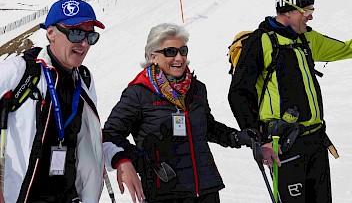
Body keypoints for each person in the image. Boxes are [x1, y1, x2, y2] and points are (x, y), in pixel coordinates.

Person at [228, 0, 352, 203]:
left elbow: (349, 48)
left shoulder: (307, 38)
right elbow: (238, 93)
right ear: (288, 10)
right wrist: (259, 140)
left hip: (316, 142)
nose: (310, 17)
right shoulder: (260, 41)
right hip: (284, 147)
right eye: (306, 11)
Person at [102, 23, 280, 203]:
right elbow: (110, 134)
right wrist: (141, 162)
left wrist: (238, 137)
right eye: (170, 51)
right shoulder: (139, 93)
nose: (179, 58)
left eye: (183, 50)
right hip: (165, 192)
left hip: (206, 188)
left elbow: (208, 127)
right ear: (153, 56)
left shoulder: (197, 89)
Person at [0, 0, 106, 203]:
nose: (83, 43)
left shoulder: (84, 80)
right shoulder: (19, 71)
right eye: (76, 33)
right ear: (51, 33)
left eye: (90, 36)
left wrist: (120, 159)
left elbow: (91, 138)